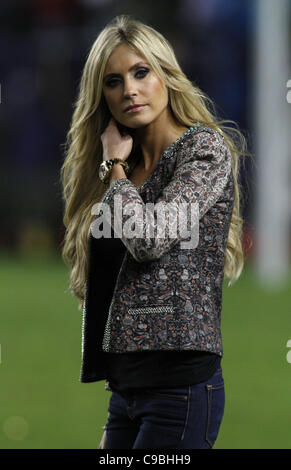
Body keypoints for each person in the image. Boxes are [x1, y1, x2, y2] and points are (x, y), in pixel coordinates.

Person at [60, 14, 248, 449]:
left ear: (166, 74)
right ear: (101, 95)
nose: (129, 89)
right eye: (113, 81)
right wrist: (116, 168)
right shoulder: (118, 168)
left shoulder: (203, 151)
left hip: (179, 386)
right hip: (125, 389)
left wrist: (116, 169)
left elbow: (148, 240)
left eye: (141, 72)